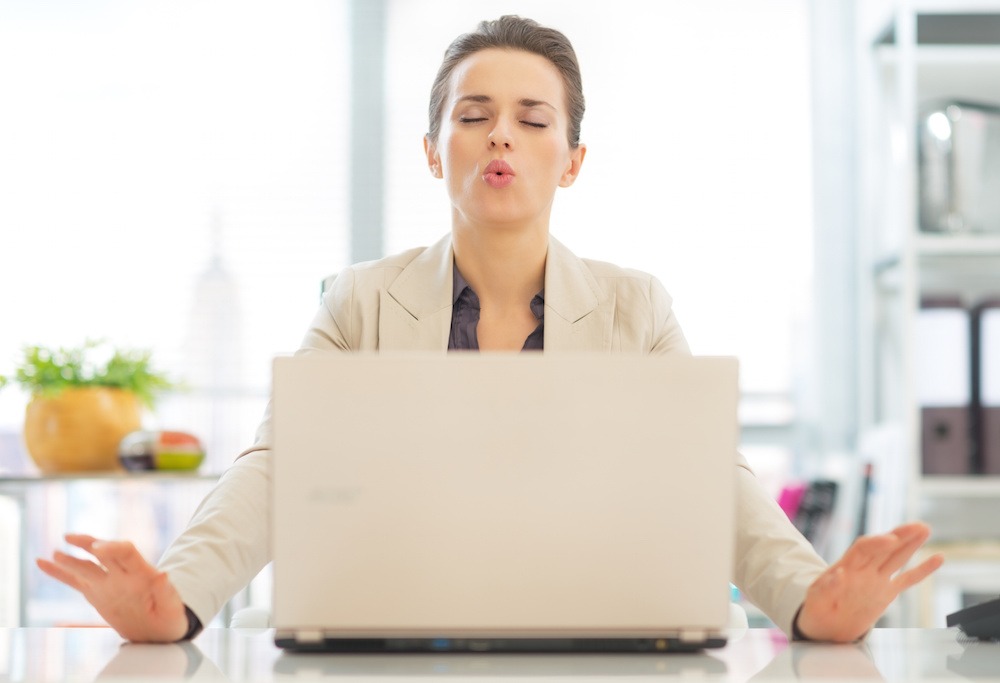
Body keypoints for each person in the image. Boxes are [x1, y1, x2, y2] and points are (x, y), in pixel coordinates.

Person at [37, 15, 943, 644]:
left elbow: (712, 478)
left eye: (531, 119)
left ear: (572, 159)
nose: (500, 136)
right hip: (398, 638)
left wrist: (809, 596)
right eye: (473, 117)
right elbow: (276, 468)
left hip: (598, 639)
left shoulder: (637, 307)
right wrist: (177, 597)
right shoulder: (357, 301)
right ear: (435, 151)